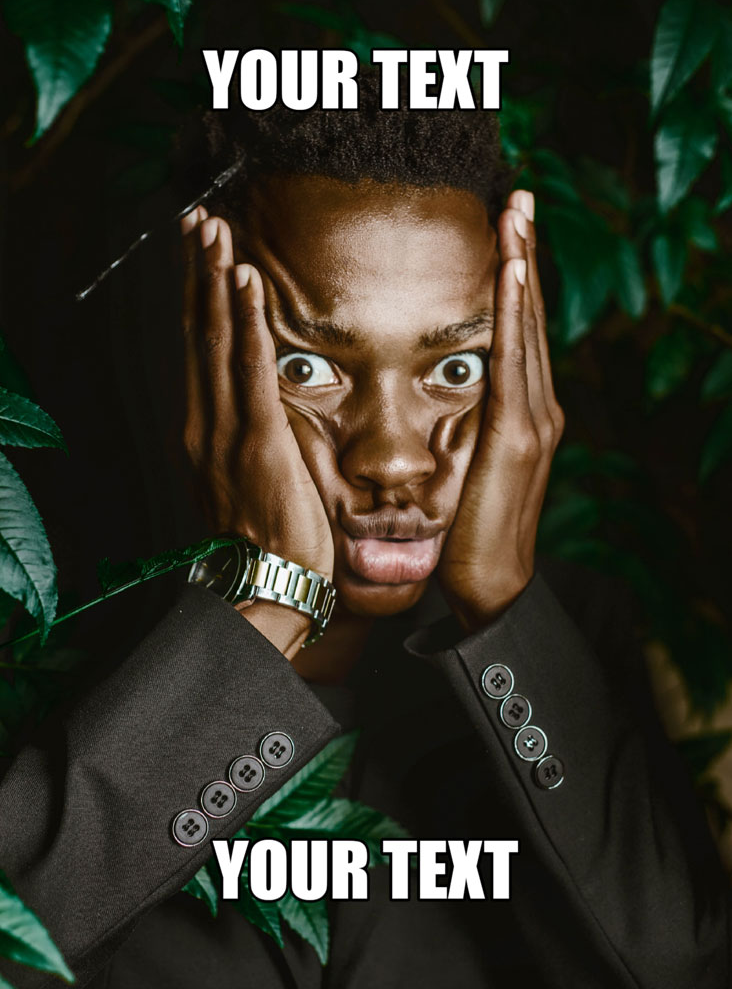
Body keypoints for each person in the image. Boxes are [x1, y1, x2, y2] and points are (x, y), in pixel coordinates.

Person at [0, 75, 729, 989]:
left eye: (456, 366)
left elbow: (691, 971)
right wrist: (267, 605)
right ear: (205, 344)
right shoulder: (42, 634)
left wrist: (502, 601)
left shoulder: (574, 649)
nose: (393, 458)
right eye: (310, 364)